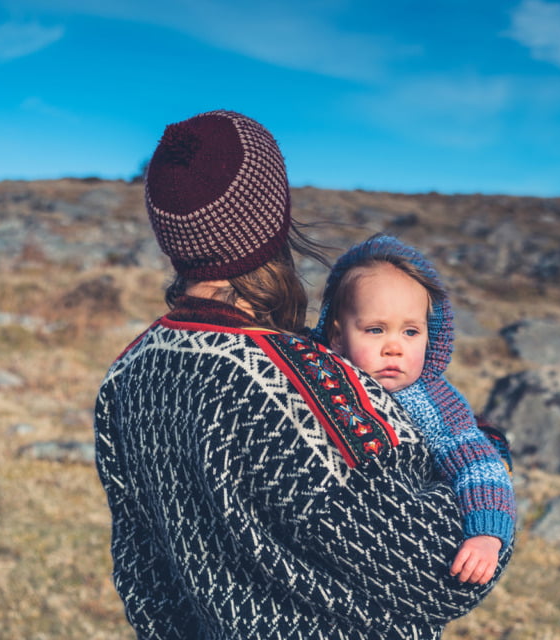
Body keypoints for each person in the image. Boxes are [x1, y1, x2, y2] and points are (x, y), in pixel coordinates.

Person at [93, 109, 512, 640]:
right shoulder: (306, 386)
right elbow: (436, 569)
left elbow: (143, 577)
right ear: (271, 218)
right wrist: (481, 451)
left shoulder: (127, 376)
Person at [311, 235, 517, 587]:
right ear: (338, 336)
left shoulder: (427, 399)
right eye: (375, 330)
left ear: (430, 336)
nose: (393, 347)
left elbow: (477, 461)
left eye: (410, 332)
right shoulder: (316, 372)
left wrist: (487, 535)